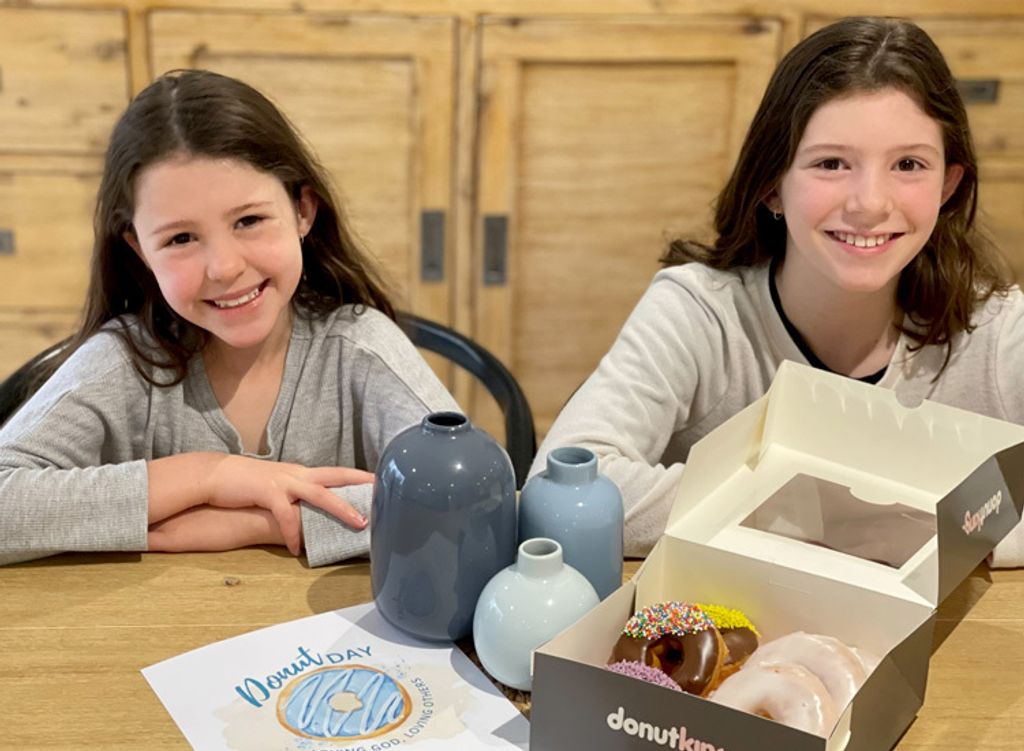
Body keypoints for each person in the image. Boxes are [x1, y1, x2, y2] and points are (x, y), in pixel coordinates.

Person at [530, 16, 1024, 567]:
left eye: (908, 164)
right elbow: (558, 493)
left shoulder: (998, 330)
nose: (870, 203)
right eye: (831, 163)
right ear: (772, 186)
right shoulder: (699, 313)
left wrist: (908, 533)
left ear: (948, 185)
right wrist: (829, 520)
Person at [0, 69, 459, 567]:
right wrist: (206, 475)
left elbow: (465, 498)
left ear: (303, 211)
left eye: (249, 220)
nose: (224, 268)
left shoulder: (359, 348)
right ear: (139, 250)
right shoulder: (123, 361)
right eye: (180, 238)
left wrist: (256, 523)